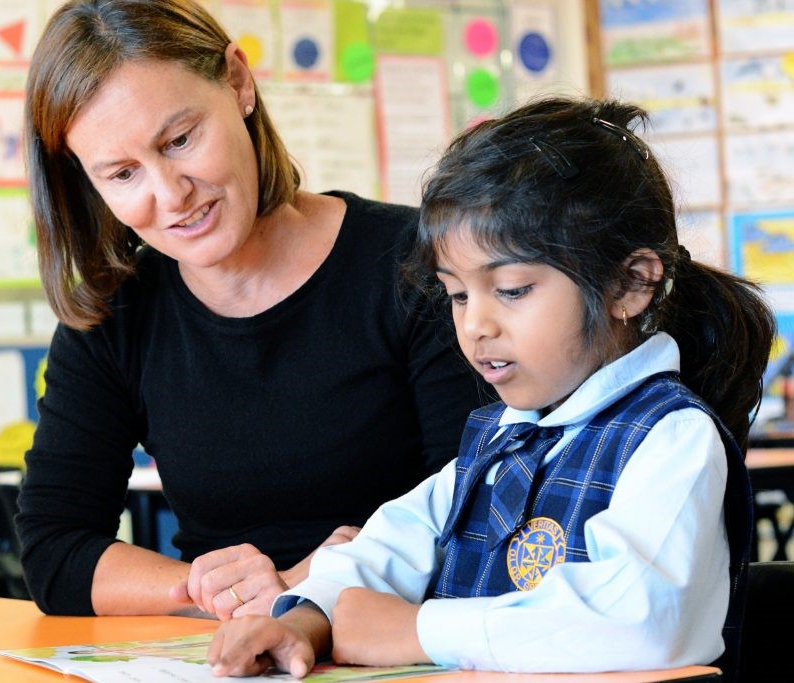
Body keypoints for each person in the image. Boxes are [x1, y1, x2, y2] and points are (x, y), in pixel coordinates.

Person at [207, 97, 776, 678]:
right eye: (457, 294)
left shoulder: (671, 439)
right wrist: (303, 620)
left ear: (630, 285)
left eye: (510, 290)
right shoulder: (499, 441)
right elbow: (388, 548)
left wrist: (417, 630)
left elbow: (640, 619)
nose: (474, 325)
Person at [16, 0, 487, 618]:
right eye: (123, 174)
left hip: (401, 637)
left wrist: (309, 587)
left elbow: (479, 507)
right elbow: (54, 549)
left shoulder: (417, 266)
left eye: (180, 140)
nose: (171, 195)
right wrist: (211, 591)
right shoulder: (115, 315)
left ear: (238, 82)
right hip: (225, 647)